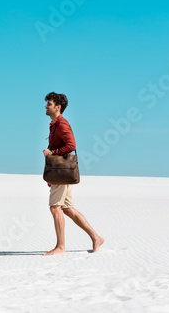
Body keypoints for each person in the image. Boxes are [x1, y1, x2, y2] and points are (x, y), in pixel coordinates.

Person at [42, 92, 104, 255]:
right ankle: (96, 237)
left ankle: (60, 247)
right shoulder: (54, 124)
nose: (46, 106)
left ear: (58, 107)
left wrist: (51, 152)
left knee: (55, 208)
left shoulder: (62, 123)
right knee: (68, 209)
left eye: (49, 103)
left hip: (63, 172)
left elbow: (71, 145)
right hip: (60, 173)